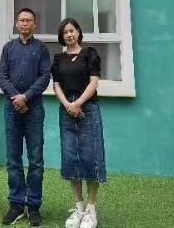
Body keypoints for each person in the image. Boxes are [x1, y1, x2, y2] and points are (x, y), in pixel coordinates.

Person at [0, 8, 51, 227]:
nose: (25, 23)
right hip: (11, 109)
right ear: (16, 23)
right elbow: (2, 76)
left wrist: (26, 97)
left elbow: (44, 77)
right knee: (13, 159)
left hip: (34, 109)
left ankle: (34, 206)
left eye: (29, 20)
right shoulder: (8, 48)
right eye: (21, 20)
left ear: (34, 24)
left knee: (36, 160)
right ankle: (16, 205)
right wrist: (16, 98)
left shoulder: (41, 49)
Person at [52, 18, 106, 228]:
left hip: (88, 109)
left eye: (72, 30)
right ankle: (79, 208)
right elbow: (56, 85)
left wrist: (78, 103)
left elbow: (94, 82)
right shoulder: (58, 59)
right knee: (71, 157)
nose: (69, 35)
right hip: (66, 110)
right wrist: (68, 105)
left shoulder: (90, 54)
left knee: (91, 156)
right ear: (61, 36)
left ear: (78, 32)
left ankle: (91, 210)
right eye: (65, 32)